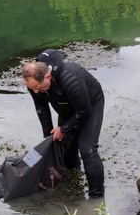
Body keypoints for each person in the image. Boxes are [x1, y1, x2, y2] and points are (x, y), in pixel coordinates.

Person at [21, 49, 105, 198]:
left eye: (38, 88)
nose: (35, 92)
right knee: (65, 149)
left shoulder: (70, 78)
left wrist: (64, 129)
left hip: (90, 105)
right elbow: (42, 109)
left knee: (87, 150)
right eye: (32, 88)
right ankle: (74, 178)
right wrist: (49, 136)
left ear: (48, 76)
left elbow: (84, 112)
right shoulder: (33, 83)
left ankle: (96, 198)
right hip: (65, 106)